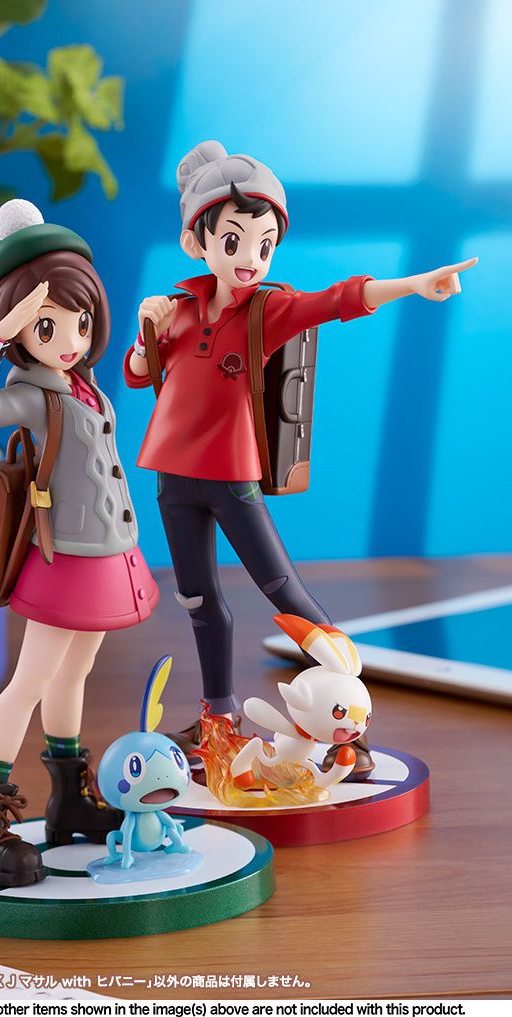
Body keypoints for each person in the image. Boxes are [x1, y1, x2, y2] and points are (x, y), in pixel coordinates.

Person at [123, 140, 476, 776]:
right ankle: (218, 718)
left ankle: (349, 725)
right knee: (197, 599)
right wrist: (147, 330)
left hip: (231, 475)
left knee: (282, 589)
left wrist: (415, 284)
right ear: (196, 243)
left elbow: (339, 299)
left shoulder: (270, 309)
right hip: (173, 476)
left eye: (264, 245)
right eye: (234, 242)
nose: (250, 259)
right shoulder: (178, 311)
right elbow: (139, 373)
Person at [0, 199, 158, 887]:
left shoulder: (81, 385)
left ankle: (68, 798)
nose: (68, 339)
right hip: (62, 558)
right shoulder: (34, 392)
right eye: (47, 326)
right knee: (30, 681)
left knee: (74, 674)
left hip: (105, 553)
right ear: (19, 330)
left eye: (79, 321)